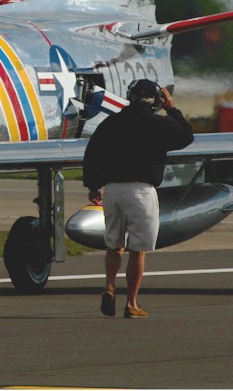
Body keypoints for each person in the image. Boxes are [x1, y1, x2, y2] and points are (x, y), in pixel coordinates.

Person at [82, 79, 194, 318]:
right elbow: (186, 136)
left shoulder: (111, 123)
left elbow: (92, 154)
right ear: (156, 100)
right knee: (137, 250)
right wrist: (172, 109)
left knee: (114, 245)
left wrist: (93, 185)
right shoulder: (158, 124)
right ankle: (131, 303)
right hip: (141, 191)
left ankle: (109, 287)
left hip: (112, 190)